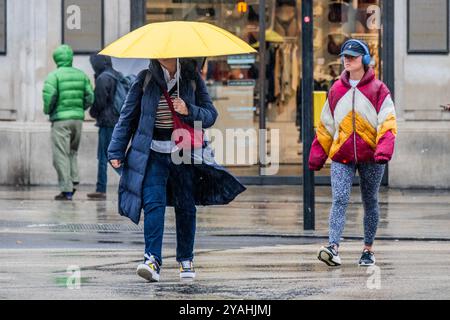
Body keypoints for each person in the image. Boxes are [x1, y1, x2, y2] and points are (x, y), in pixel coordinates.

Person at [108, 58, 246, 282]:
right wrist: (115, 150)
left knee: (186, 206)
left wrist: (188, 109)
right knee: (153, 203)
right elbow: (127, 117)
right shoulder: (145, 79)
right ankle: (152, 259)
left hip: (184, 152)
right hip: (152, 152)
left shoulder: (191, 79)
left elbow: (210, 115)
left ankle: (185, 259)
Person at [309, 39, 397, 267]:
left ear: (365, 60)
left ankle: (368, 250)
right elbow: (326, 125)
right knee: (339, 198)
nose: (347, 60)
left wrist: (384, 150)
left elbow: (388, 122)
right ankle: (333, 247)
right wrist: (317, 155)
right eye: (345, 57)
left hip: (372, 157)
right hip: (342, 156)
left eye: (353, 57)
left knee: (370, 201)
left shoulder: (379, 89)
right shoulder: (336, 90)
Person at [42, 45, 94, 201]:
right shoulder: (81, 75)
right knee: (72, 152)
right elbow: (90, 97)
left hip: (60, 120)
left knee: (61, 154)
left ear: (56, 59)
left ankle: (66, 189)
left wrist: (49, 111)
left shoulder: (54, 76)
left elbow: (49, 98)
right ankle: (74, 179)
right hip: (77, 119)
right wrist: (79, 109)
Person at [87, 54, 121, 200]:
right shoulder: (116, 75)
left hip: (107, 122)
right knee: (111, 155)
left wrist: (92, 112)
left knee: (104, 156)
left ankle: (101, 189)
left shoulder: (103, 78)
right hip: (117, 120)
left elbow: (99, 101)